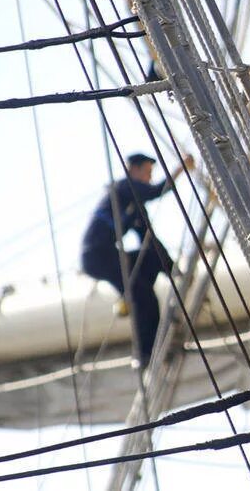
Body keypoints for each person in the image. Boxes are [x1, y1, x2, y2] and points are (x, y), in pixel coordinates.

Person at [81, 152, 194, 369]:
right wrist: (182, 168)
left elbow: (150, 239)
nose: (150, 178)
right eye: (148, 173)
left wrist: (173, 271)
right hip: (97, 256)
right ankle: (144, 353)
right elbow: (155, 191)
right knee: (143, 298)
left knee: (150, 264)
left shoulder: (135, 207)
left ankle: (154, 338)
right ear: (134, 170)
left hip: (110, 256)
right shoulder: (123, 188)